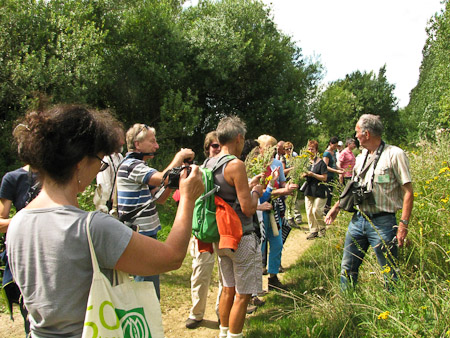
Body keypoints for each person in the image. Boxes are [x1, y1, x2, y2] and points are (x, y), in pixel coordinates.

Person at [7, 105, 204, 337]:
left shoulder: (18, 222)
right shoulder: (91, 227)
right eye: (99, 160)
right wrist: (188, 198)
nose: (99, 168)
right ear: (80, 162)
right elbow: (171, 257)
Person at [325, 114, 414, 289]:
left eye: (357, 131)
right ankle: (347, 308)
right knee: (347, 268)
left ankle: (393, 307)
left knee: (389, 271)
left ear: (366, 134)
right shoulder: (362, 156)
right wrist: (336, 207)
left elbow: (408, 192)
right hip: (359, 220)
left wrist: (403, 225)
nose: (355, 136)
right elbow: (353, 186)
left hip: (384, 223)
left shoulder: (394, 154)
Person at [117, 123, 195, 299]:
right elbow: (162, 177)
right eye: (152, 141)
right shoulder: (131, 165)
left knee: (149, 286)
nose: (156, 146)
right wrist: (179, 156)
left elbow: (160, 198)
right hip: (140, 234)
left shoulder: (138, 166)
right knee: (147, 290)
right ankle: (147, 322)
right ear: (137, 144)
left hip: (146, 233)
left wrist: (174, 178)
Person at [208, 116, 263, 338]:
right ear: (239, 138)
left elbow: (226, 193)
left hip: (220, 236)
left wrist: (246, 186)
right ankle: (234, 336)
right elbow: (248, 208)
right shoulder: (236, 164)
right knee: (243, 293)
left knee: (228, 288)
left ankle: (223, 332)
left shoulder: (209, 163)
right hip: (241, 236)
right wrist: (257, 190)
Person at [186, 131, 222, 329]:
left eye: (220, 145)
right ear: (207, 148)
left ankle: (221, 312)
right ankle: (196, 313)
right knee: (201, 271)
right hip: (203, 230)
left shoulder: (230, 167)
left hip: (224, 227)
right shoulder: (198, 170)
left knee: (225, 275)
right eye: (214, 145)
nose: (217, 149)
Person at [0, 163, 40, 335]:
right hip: (25, 259)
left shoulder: (61, 173)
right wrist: (29, 219)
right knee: (31, 320)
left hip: (57, 256)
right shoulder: (13, 178)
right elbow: (1, 223)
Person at [257, 135, 298, 291]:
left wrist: (288, 187)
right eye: (267, 147)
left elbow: (281, 183)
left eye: (273, 147)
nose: (271, 150)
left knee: (277, 243)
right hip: (259, 210)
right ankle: (254, 287)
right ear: (260, 148)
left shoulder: (277, 164)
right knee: (259, 247)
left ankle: (273, 278)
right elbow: (258, 191)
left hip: (274, 209)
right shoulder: (255, 165)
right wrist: (283, 190)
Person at [93, 125, 125, 213]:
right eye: (120, 139)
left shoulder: (120, 157)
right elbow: (103, 184)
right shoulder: (105, 158)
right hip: (108, 204)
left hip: (118, 202)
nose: (123, 142)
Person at [302, 140, 328, 240]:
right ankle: (313, 231)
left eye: (312, 149)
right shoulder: (305, 162)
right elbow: (300, 174)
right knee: (309, 211)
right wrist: (304, 174)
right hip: (308, 189)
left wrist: (313, 174)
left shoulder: (321, 163)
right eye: (308, 149)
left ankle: (322, 229)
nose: (310, 151)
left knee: (316, 210)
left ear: (316, 150)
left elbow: (324, 178)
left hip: (319, 190)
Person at [283, 141, 302, 227]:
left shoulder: (295, 157)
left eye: (290, 148)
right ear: (284, 150)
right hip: (287, 181)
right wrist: (292, 168)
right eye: (287, 149)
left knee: (294, 200)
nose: (289, 150)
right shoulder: (283, 159)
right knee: (288, 200)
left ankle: (294, 218)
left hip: (295, 180)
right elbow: (283, 171)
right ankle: (289, 218)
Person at [323, 137, 344, 214]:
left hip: (332, 175)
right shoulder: (326, 153)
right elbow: (326, 166)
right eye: (334, 145)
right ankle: (325, 210)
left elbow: (334, 164)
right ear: (331, 144)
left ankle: (327, 208)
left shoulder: (334, 152)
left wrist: (340, 169)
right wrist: (336, 171)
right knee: (328, 193)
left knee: (331, 193)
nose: (335, 147)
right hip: (327, 176)